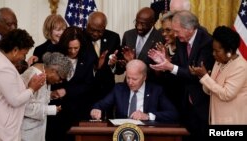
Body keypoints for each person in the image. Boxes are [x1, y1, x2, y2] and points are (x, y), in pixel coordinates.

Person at [148, 10, 215, 140]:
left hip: (202, 103)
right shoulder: (181, 41)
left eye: (177, 31)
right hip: (184, 102)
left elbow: (196, 73)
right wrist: (165, 62)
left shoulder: (206, 42)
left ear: (189, 29)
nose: (175, 34)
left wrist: (170, 66)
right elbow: (179, 68)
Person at [46, 26, 96, 141]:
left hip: (78, 111)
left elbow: (88, 85)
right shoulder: (53, 52)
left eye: (76, 48)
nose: (73, 51)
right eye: (69, 48)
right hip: (56, 112)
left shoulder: (88, 57)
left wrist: (67, 91)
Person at [189, 26, 247, 124]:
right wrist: (202, 76)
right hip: (216, 119)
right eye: (213, 50)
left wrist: (205, 77)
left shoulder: (241, 67)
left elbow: (226, 94)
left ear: (229, 52)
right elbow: (209, 90)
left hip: (233, 122)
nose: (213, 54)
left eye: (217, 51)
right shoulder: (218, 62)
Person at [90, 59, 178, 123]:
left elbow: (173, 114)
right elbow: (100, 105)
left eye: (134, 79)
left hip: (148, 133)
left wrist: (147, 116)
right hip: (122, 133)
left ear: (144, 77)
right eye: (128, 78)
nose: (130, 82)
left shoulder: (156, 90)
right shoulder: (119, 89)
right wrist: (96, 109)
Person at [0, 29, 45, 141]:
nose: (23, 58)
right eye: (24, 54)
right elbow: (15, 100)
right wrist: (32, 88)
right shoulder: (3, 68)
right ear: (15, 50)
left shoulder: (3, 62)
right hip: (3, 130)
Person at [21, 52, 72, 141]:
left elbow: (36, 98)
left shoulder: (44, 74)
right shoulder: (34, 75)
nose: (60, 82)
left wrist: (50, 95)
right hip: (26, 133)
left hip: (35, 132)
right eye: (60, 78)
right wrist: (52, 109)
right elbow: (24, 106)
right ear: (53, 70)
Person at [110, 7, 164, 84]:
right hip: (129, 85)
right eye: (137, 22)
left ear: (152, 23)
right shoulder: (128, 35)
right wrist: (115, 64)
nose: (139, 26)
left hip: (150, 87)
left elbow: (161, 71)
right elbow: (121, 68)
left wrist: (133, 62)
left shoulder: (160, 37)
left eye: (143, 24)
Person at [84, 11, 121, 119]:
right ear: (87, 25)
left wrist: (113, 65)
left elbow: (119, 69)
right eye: (92, 30)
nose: (95, 34)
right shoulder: (80, 37)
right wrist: (95, 67)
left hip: (106, 92)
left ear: (104, 27)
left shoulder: (113, 37)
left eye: (99, 31)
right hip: (85, 93)